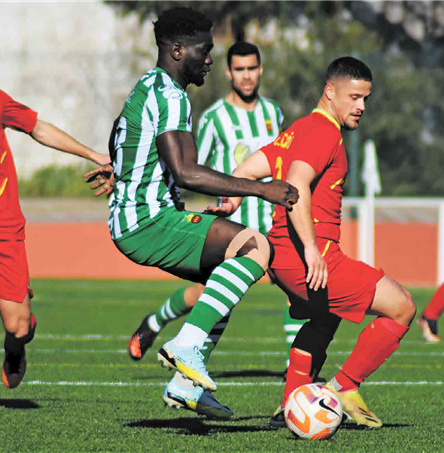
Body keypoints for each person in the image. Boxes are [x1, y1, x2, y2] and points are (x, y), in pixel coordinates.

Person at [86, 7, 298, 420]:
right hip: (147, 221)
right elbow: (186, 172)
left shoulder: (149, 86)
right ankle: (185, 347)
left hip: (137, 219)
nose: (210, 59)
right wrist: (262, 189)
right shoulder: (169, 94)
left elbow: (120, 129)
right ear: (179, 50)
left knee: (226, 281)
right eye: (205, 50)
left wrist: (121, 168)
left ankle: (185, 385)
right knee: (255, 246)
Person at [207, 56, 416, 428]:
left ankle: (291, 403)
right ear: (330, 91)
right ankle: (343, 387)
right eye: (354, 97)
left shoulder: (298, 129)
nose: (361, 107)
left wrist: (234, 197)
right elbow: (296, 185)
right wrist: (311, 249)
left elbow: (249, 169)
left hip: (284, 259)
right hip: (308, 257)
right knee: (402, 306)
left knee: (324, 318)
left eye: (365, 98)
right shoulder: (324, 132)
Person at [127, 41, 306, 403]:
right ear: (229, 73)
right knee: (209, 295)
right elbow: (191, 167)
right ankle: (158, 325)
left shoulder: (273, 112)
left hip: (272, 220)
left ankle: (293, 371)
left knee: (296, 288)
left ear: (260, 70)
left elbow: (282, 161)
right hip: (235, 222)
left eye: (252, 69)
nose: (246, 76)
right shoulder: (211, 118)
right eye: (239, 69)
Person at [0, 89, 110, 389]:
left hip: (4, 229)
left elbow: (38, 128)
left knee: (18, 327)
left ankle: (15, 348)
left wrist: (93, 154)